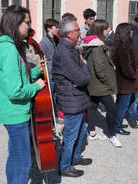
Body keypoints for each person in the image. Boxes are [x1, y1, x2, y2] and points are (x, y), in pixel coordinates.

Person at [0, 5, 45, 183]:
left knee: (14, 156)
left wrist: (36, 71)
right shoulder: (8, 49)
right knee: (23, 163)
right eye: (27, 22)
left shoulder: (8, 46)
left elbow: (18, 77)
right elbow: (16, 91)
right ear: (16, 23)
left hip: (11, 112)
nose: (29, 26)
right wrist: (37, 86)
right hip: (15, 114)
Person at [52, 15, 92, 177]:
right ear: (69, 34)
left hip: (78, 97)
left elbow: (82, 77)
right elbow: (84, 78)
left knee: (81, 131)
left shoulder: (71, 48)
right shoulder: (64, 52)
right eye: (77, 30)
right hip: (72, 99)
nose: (80, 33)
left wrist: (83, 68)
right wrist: (83, 67)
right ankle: (64, 166)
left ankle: (75, 158)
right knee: (70, 135)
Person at [82, 19, 122, 147]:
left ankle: (92, 132)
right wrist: (109, 83)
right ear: (100, 30)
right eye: (106, 28)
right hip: (100, 84)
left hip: (93, 83)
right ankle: (112, 134)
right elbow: (99, 69)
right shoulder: (97, 46)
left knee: (93, 106)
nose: (108, 30)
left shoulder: (92, 44)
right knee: (112, 108)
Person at [114, 23, 138, 135]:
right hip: (126, 82)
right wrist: (134, 75)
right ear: (126, 33)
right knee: (122, 106)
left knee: (120, 104)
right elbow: (126, 67)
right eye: (131, 31)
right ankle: (117, 126)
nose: (133, 33)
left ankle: (117, 123)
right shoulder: (124, 46)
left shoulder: (123, 44)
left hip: (124, 82)